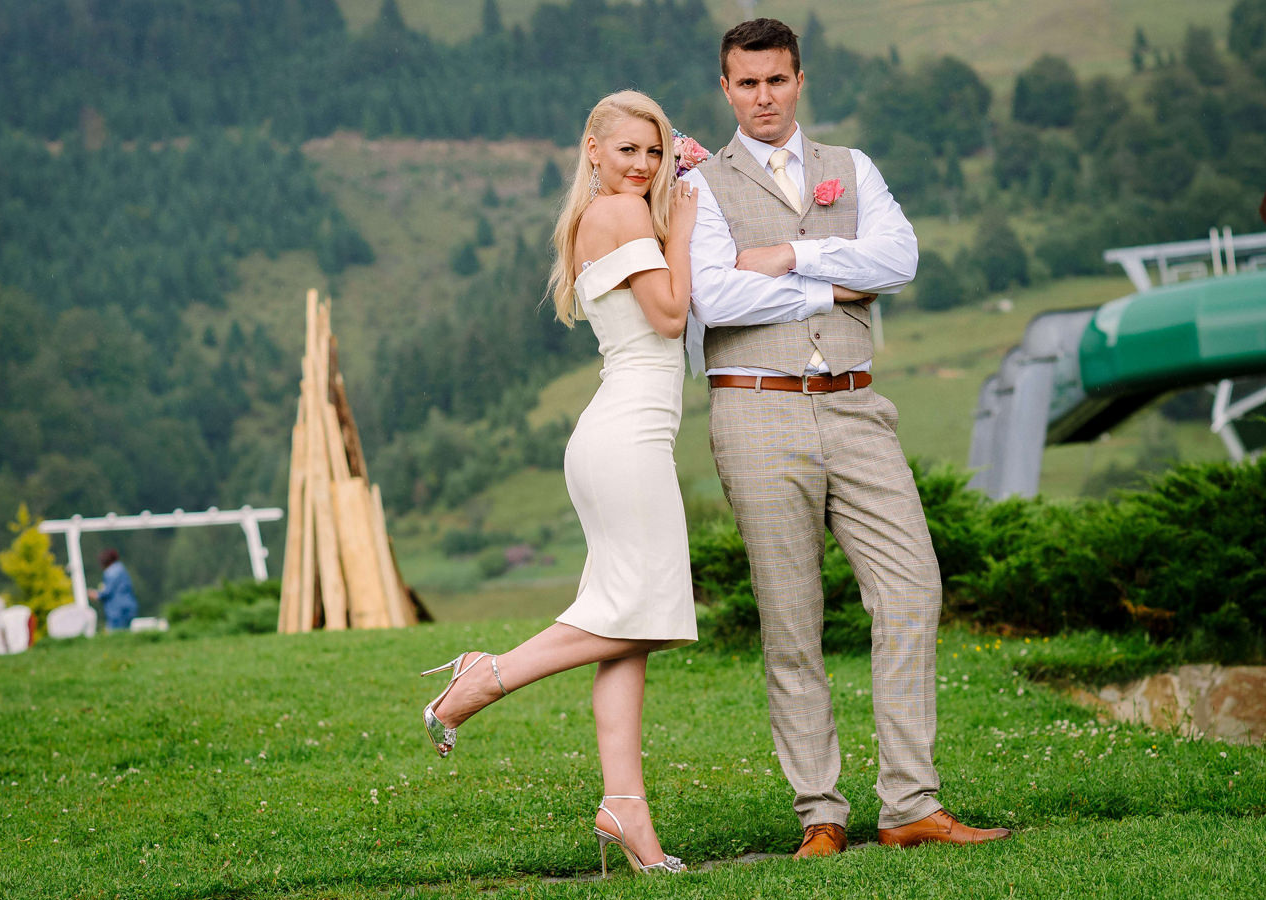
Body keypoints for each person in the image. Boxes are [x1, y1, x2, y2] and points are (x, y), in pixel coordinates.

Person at [681, 18, 1011, 857]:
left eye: (777, 80)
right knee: (791, 618)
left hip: (858, 407)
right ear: (726, 89)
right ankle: (820, 815)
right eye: (747, 83)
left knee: (912, 589)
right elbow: (716, 297)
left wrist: (787, 255)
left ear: (799, 80)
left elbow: (897, 261)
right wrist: (834, 283)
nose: (763, 97)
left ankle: (909, 804)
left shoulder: (851, 167)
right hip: (755, 408)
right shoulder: (698, 188)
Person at [420, 90, 698, 878]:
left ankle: (625, 808)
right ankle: (485, 677)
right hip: (627, 439)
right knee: (639, 613)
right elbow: (671, 316)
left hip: (621, 436)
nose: (643, 165)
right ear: (593, 150)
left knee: (633, 628)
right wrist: (684, 228)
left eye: (656, 152)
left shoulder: (602, 214)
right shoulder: (623, 212)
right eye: (629, 150)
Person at [89, 548, 138, 631]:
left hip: (117, 610)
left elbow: (107, 592)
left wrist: (96, 594)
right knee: (126, 632)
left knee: (116, 634)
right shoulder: (121, 568)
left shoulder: (111, 572)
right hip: (129, 606)